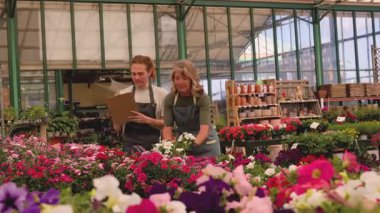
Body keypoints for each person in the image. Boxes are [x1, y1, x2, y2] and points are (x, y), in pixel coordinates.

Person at [162, 60, 221, 157]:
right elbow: (167, 127)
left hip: (206, 146)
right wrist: (169, 146)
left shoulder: (202, 97)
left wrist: (192, 145)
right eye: (177, 78)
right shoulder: (170, 99)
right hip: (183, 145)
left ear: (192, 79)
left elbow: (204, 129)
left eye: (185, 78)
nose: (180, 82)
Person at [116, 55, 167, 153]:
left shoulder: (161, 94)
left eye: (140, 74)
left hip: (154, 148)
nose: (137, 78)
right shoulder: (123, 94)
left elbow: (166, 123)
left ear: (149, 72)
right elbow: (117, 128)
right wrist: (116, 115)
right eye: (133, 74)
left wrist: (147, 120)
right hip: (129, 148)